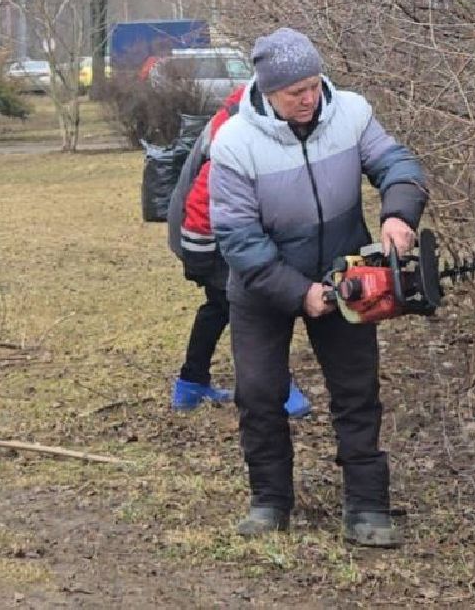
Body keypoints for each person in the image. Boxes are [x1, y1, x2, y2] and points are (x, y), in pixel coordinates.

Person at [210, 27, 428, 548]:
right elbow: (238, 239)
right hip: (263, 285)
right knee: (260, 392)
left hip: (344, 273)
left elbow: (396, 163)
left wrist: (399, 214)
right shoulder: (234, 144)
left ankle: (368, 507)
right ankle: (269, 502)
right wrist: (298, 293)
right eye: (294, 92)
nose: (308, 98)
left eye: (312, 85)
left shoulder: (350, 113)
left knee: (357, 392)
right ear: (267, 91)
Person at [167, 85, 311, 418]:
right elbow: (204, 197)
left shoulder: (264, 117)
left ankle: (190, 385)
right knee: (255, 304)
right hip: (201, 230)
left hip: (216, 228)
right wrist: (199, 256)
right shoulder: (235, 129)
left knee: (218, 306)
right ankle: (276, 385)